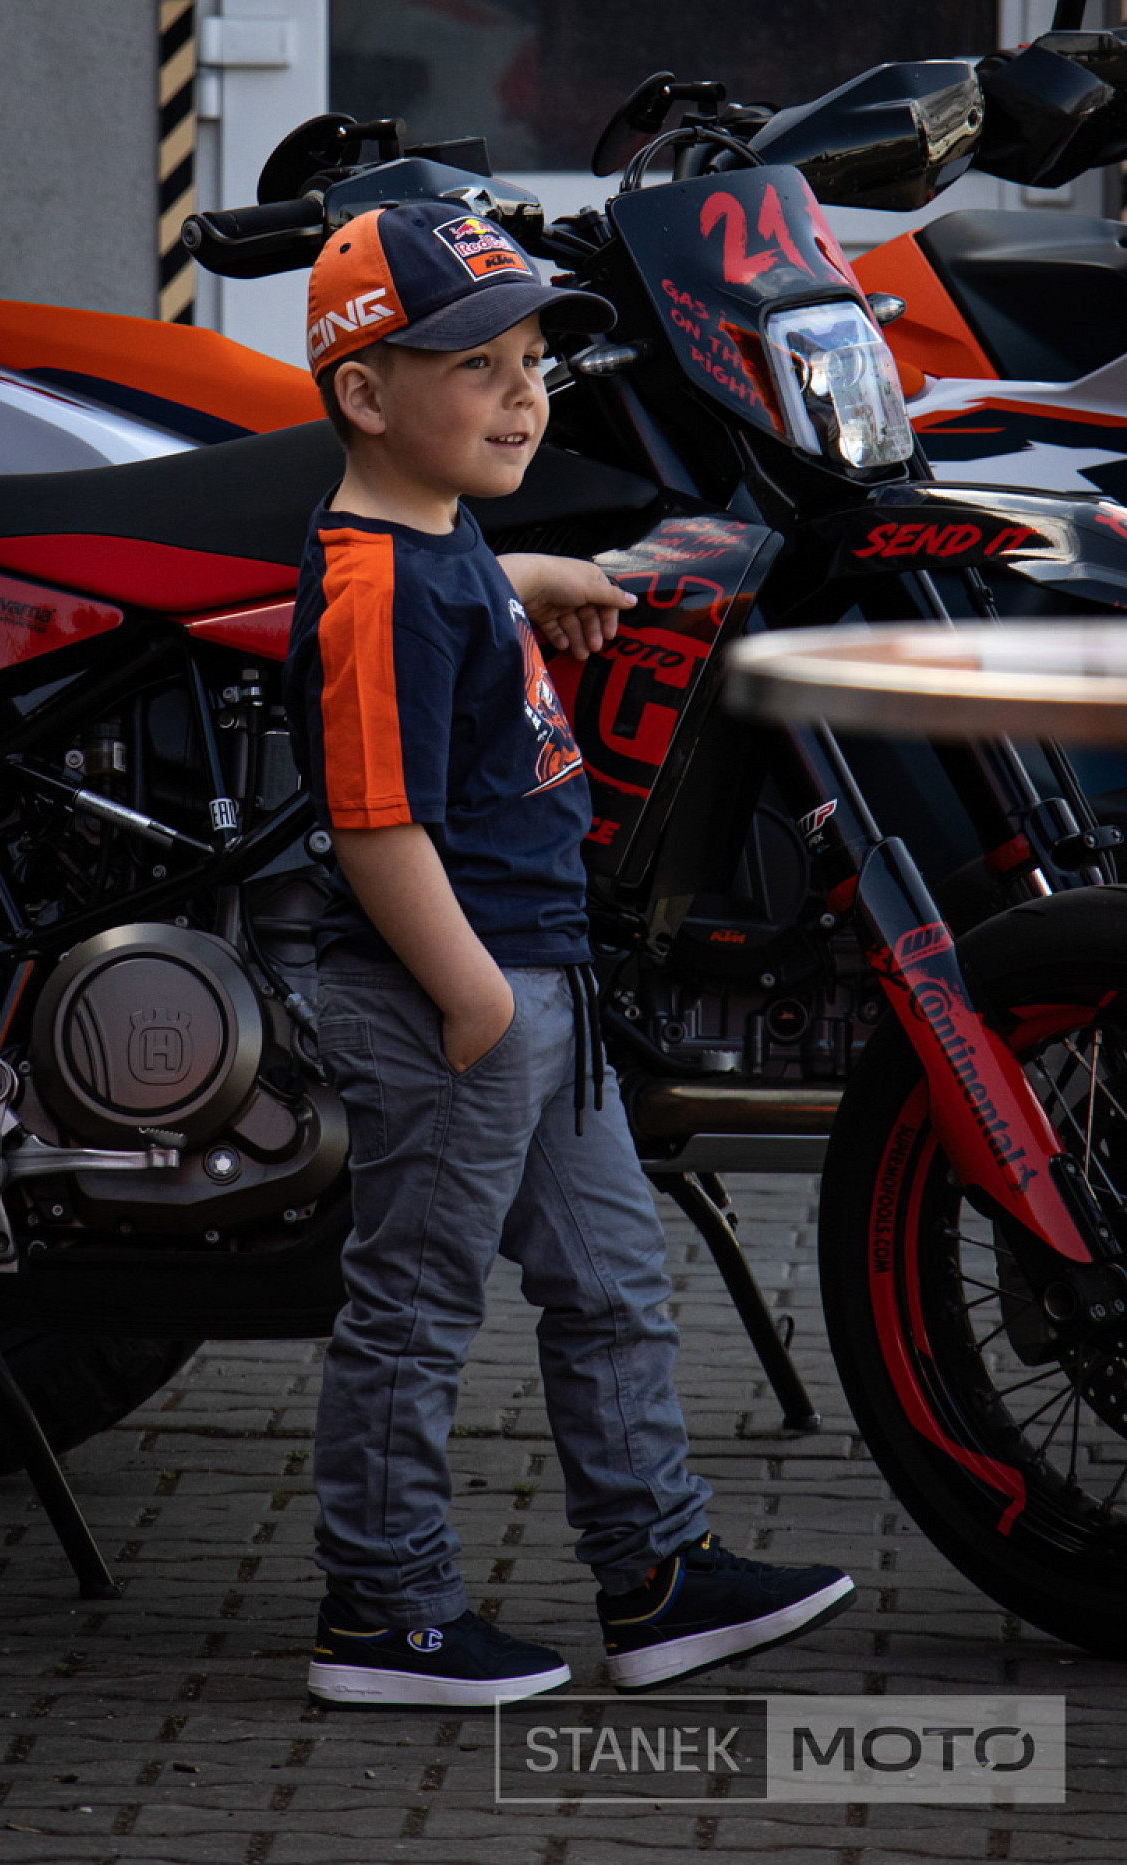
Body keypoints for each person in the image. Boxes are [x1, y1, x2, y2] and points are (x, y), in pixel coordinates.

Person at [284, 199, 855, 1709]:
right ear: (366, 395)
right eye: (478, 367)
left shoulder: (442, 540)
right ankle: (383, 1610)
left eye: (534, 360)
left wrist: (535, 580)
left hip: (544, 990)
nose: (525, 395)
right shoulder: (371, 588)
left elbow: (462, 590)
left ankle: (655, 1574)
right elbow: (373, 827)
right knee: (416, 1310)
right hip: (454, 1000)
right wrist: (474, 1001)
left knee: (612, 1283)